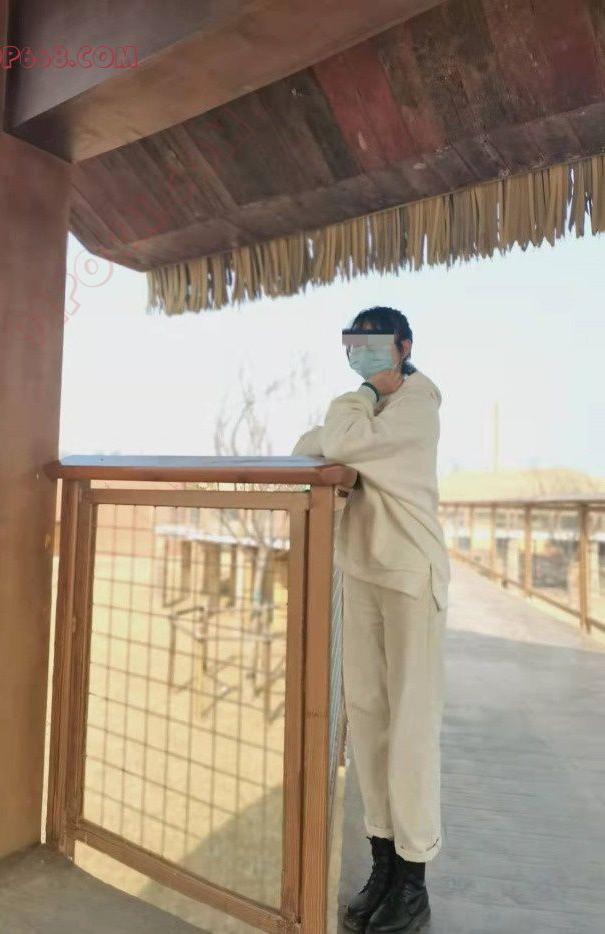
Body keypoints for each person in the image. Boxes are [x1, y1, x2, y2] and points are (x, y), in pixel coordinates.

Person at [291, 306, 449, 934]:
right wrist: (350, 417)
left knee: (411, 728)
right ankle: (383, 864)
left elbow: (336, 444)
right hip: (363, 572)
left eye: (373, 344)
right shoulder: (369, 412)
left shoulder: (417, 404)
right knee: (371, 721)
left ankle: (414, 880)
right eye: (352, 346)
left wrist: (353, 402)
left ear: (403, 347)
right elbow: (306, 448)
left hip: (410, 576)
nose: (361, 355)